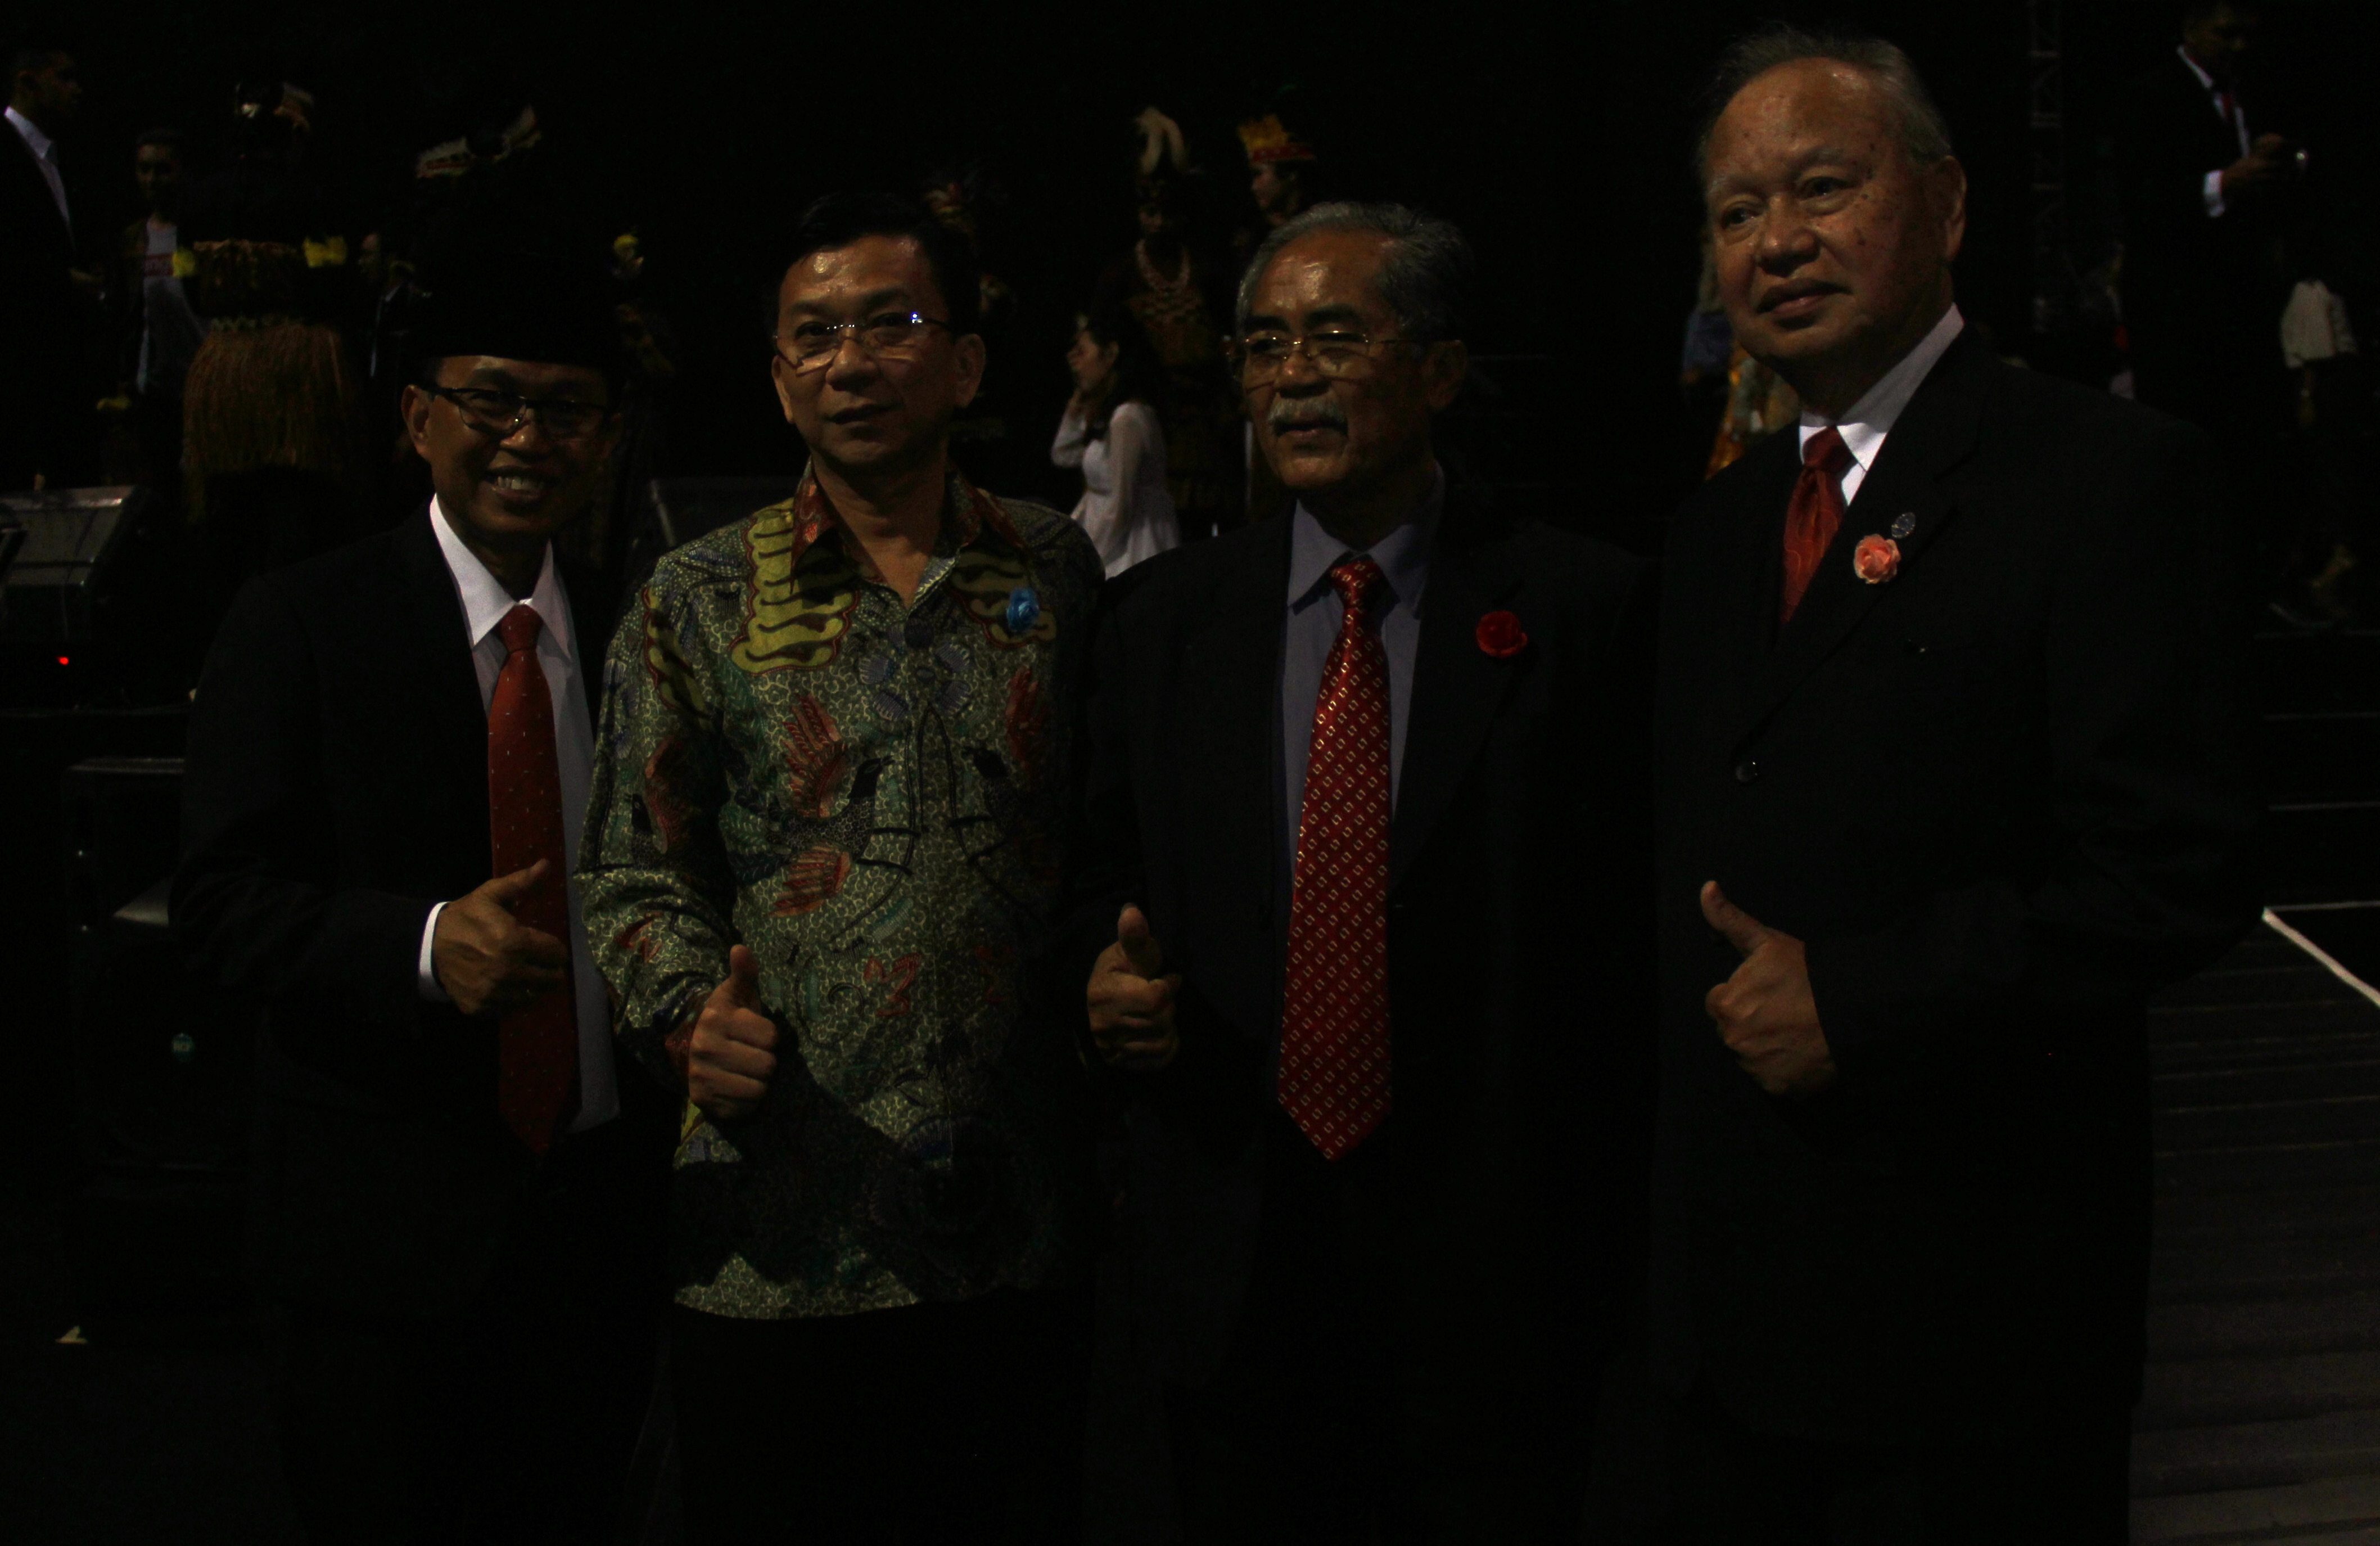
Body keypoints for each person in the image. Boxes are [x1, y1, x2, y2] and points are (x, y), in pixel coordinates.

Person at [1646, 28, 2259, 1542]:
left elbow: (2172, 870)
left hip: (1974, 1323)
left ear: (1948, 203)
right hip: (1725, 1331)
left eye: (1822, 188)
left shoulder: (2105, 476)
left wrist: (1862, 999)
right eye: (1735, 211)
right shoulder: (1715, 530)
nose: (1776, 241)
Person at [1067, 201, 1659, 1543]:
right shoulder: (1160, 627)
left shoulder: (1586, 610)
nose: (1291, 376)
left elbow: (1622, 940)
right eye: (1264, 345)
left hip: (1496, 1278)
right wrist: (1096, 976)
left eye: (1334, 336)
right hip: (1235, 1268)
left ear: (1440, 370)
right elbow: (1091, 880)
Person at [578, 192, 1104, 1544]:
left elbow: (1108, 831)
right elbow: (631, 871)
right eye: (813, 336)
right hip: (780, 1229)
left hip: (1022, 1219)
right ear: (776, 378)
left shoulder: (1055, 569)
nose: (850, 363)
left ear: (967, 364)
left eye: (890, 324)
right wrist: (689, 1017)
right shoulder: (698, 596)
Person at [173, 246, 673, 1540]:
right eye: (491, 399)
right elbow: (218, 900)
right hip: (375, 1239)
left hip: (596, 1225)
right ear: (416, 417)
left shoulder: (643, 627)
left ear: (606, 436)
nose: (528, 438)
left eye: (566, 410)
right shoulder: (301, 621)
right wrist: (422, 942)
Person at [2113, 0, 2296, 435]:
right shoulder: (2148, 95)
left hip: (2242, 302)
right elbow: (2138, 199)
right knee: (2181, 431)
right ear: (2191, 29)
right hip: (2175, 304)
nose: (2238, 46)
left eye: (2246, 36)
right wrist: (2224, 183)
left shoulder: (2253, 93)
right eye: (2225, 33)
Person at [1, 38, 100, 489]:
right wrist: (59, 279)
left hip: (56, 369)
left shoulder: (54, 157)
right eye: (64, 78)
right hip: (17, 368)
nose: (76, 89)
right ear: (28, 83)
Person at [103, 128, 207, 489]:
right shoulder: (134, 240)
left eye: (163, 170)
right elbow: (125, 315)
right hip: (155, 391)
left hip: (204, 381)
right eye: (144, 169)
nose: (151, 180)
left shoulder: (204, 233)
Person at [1053, 305, 1178, 575]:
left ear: (1110, 354)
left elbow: (1121, 506)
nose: (1075, 362)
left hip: (1131, 544)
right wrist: (1076, 405)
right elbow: (1063, 455)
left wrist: (1089, 563)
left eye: (1082, 351)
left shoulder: (1128, 418)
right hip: (1108, 533)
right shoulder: (1110, 415)